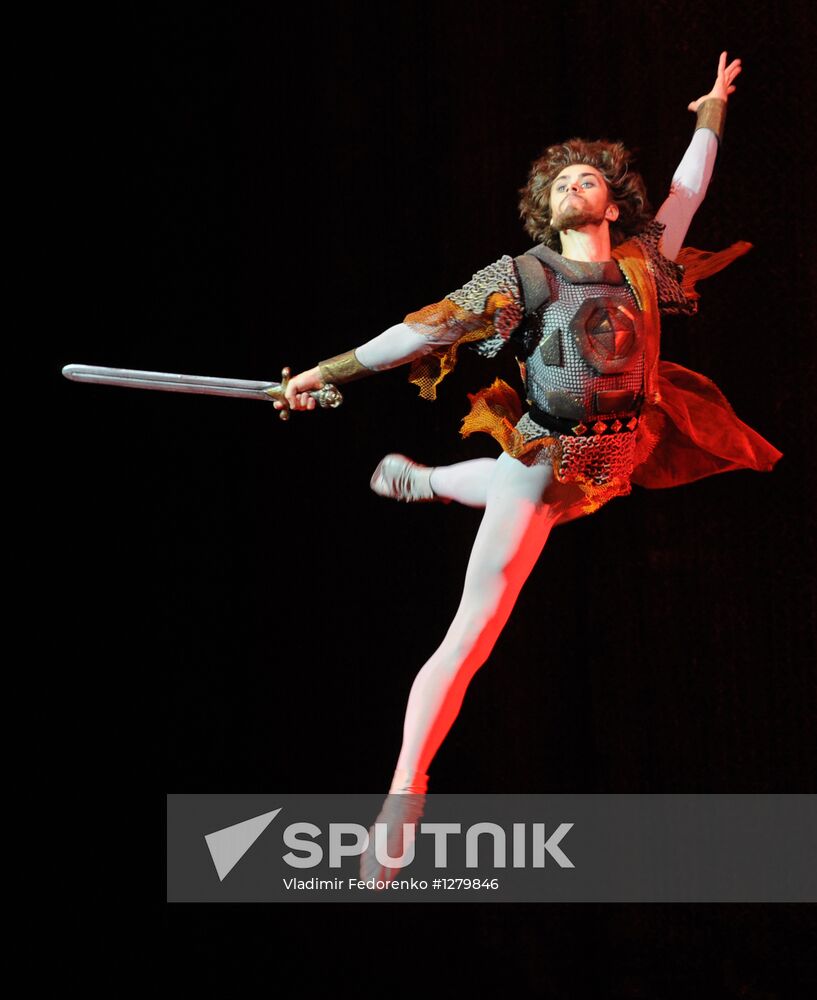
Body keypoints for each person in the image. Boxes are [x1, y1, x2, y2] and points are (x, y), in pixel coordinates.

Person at [274, 52, 783, 885]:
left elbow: (687, 190)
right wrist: (324, 374)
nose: (572, 186)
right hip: (541, 459)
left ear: (611, 203)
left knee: (544, 505)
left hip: (614, 457)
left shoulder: (643, 261)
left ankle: (428, 481)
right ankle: (404, 791)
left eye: (587, 179)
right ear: (546, 211)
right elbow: (417, 333)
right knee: (474, 630)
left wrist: (711, 111)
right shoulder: (522, 277)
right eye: (559, 184)